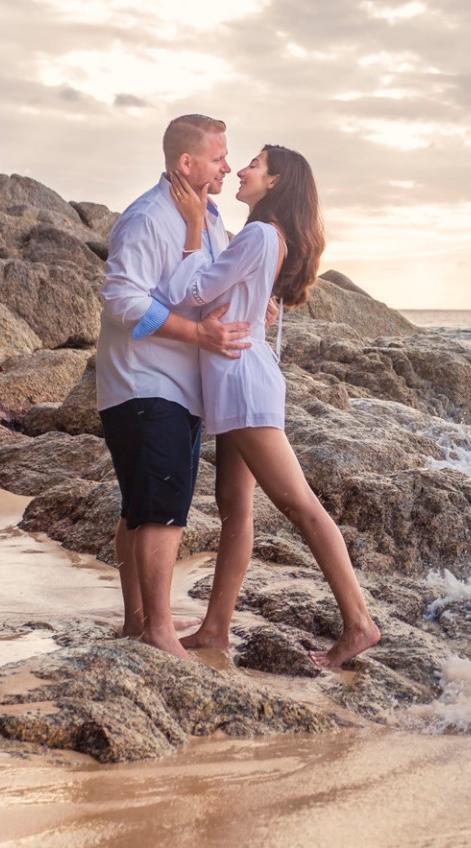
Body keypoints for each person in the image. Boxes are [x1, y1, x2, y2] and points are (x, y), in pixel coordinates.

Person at [159, 145, 381, 669]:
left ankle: (359, 623)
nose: (240, 170)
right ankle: (215, 628)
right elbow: (232, 296)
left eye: (254, 165)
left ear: (276, 182)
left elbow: (189, 294)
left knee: (300, 505)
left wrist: (193, 230)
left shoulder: (259, 234)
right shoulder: (266, 237)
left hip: (241, 379)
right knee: (235, 505)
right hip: (239, 374)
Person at [96, 114, 251, 660]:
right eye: (218, 157)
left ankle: (138, 622)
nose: (227, 166)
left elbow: (201, 288)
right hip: (145, 384)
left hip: (176, 386)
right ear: (186, 163)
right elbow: (121, 301)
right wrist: (195, 333)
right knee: (162, 508)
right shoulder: (147, 217)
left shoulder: (207, 219)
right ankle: (159, 630)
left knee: (139, 507)